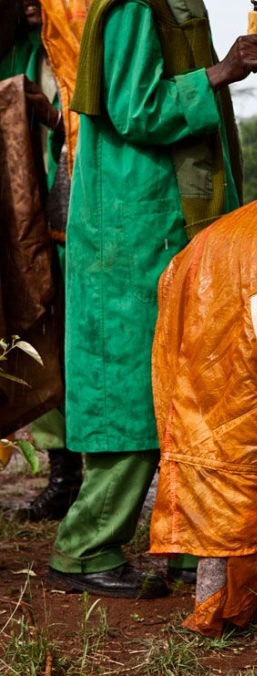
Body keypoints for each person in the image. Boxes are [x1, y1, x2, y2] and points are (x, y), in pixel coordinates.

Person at [46, 0, 257, 599]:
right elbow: (135, 108)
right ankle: (85, 548)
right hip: (131, 231)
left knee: (188, 390)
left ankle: (190, 546)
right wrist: (220, 73)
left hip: (164, 226)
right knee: (129, 394)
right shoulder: (132, 6)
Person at [0, 0, 81, 523]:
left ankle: (86, 475)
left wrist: (49, 116)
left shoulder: (76, 45)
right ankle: (62, 474)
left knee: (76, 344)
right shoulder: (18, 54)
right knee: (37, 342)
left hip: (75, 220)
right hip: (23, 226)